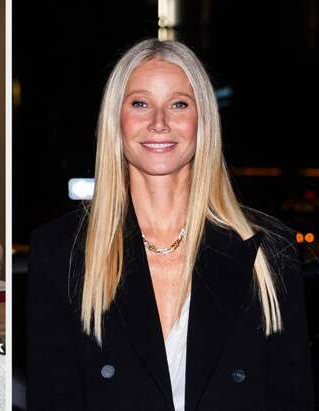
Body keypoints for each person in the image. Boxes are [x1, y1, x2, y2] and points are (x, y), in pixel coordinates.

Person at [27, 39, 315, 410]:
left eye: (178, 104)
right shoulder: (61, 252)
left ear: (202, 120)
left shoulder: (268, 253)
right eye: (140, 103)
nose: (159, 122)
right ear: (116, 119)